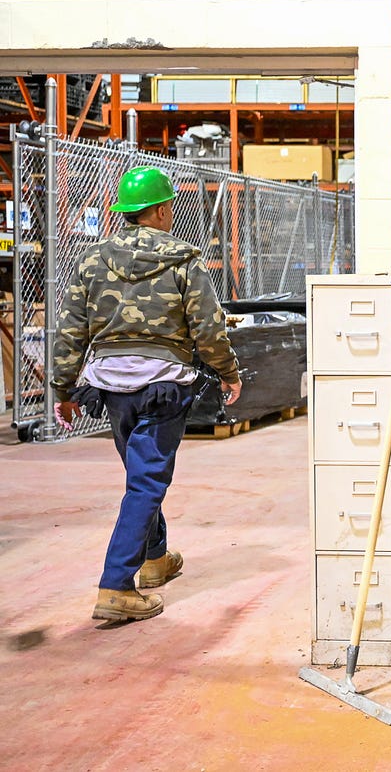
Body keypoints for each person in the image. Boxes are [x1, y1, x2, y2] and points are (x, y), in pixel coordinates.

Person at [51, 165, 243, 623]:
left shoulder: (92, 259)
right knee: (146, 482)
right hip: (163, 384)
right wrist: (227, 372)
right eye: (169, 207)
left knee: (139, 476)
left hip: (110, 386)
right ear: (158, 210)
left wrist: (62, 387)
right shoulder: (184, 259)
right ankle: (116, 584)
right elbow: (208, 327)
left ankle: (155, 558)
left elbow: (70, 328)